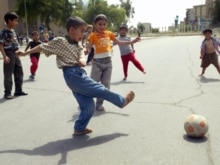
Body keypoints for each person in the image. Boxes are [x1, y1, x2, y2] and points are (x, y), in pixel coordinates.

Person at [17, 16, 135, 136]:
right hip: (71, 74)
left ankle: (79, 128)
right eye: (82, 30)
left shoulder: (78, 44)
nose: (84, 34)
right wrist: (26, 53)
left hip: (79, 73)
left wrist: (82, 60)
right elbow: (42, 47)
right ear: (72, 30)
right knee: (101, 90)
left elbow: (82, 55)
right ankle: (121, 102)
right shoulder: (60, 41)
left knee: (88, 106)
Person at [86, 14, 140, 111]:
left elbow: (120, 42)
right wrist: (87, 50)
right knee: (93, 83)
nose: (102, 26)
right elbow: (89, 46)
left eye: (104, 24)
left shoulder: (109, 34)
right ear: (95, 24)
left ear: (106, 25)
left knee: (105, 84)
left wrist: (132, 42)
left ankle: (99, 103)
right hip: (97, 63)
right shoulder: (93, 35)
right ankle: (86, 100)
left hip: (108, 63)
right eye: (99, 24)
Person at [0, 12, 28, 99]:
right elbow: (1, 44)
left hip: (16, 53)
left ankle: (18, 90)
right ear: (9, 20)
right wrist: (5, 56)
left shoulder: (13, 31)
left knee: (19, 72)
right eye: (15, 20)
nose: (17, 22)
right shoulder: (4, 31)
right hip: (8, 53)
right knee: (8, 74)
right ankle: (7, 93)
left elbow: (15, 43)